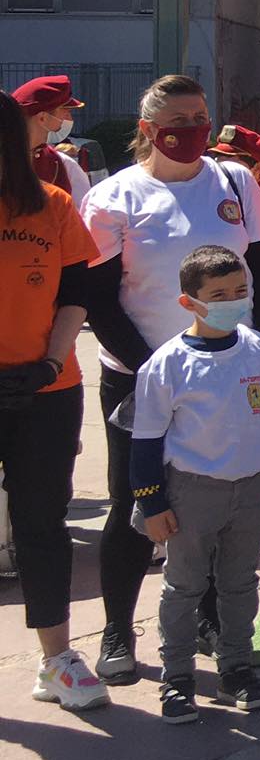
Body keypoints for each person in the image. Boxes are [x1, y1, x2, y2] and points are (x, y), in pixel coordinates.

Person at [77, 74, 260, 684]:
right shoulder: (113, 197)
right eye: (177, 122)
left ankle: (209, 621)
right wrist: (158, 371)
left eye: (200, 119)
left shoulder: (235, 182)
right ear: (148, 129)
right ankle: (118, 631)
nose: (191, 131)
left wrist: (254, 352)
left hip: (228, 378)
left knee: (218, 501)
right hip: (140, 377)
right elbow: (99, 300)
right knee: (136, 505)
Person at [131, 247, 260, 722]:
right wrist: (153, 503)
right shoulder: (167, 364)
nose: (233, 302)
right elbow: (145, 441)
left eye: (240, 291)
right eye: (218, 295)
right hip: (192, 491)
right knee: (183, 586)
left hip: (252, 486)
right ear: (190, 302)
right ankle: (178, 677)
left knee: (239, 584)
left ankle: (237, 667)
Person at [0, 92, 107, 713]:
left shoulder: (53, 205)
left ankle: (57, 660)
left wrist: (46, 362)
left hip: (46, 389)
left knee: (41, 524)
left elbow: (75, 294)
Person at [12, 75, 91, 202]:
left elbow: (81, 211)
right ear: (42, 118)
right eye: (66, 111)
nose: (70, 119)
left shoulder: (64, 165)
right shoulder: (64, 165)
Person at [208, 126, 260, 242]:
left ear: (258, 168)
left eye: (230, 161)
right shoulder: (215, 193)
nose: (220, 165)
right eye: (217, 158)